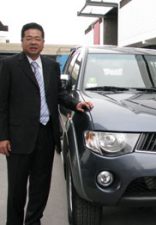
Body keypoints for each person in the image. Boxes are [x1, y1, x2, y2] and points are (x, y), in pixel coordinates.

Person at [0, 22, 93, 225]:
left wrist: (77, 103)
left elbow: (59, 94)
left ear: (43, 42)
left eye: (37, 38)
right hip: (18, 138)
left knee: (40, 187)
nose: (33, 42)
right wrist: (3, 136)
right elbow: (2, 103)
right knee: (16, 188)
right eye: (29, 38)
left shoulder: (52, 66)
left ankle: (33, 221)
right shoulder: (9, 65)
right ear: (22, 41)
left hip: (46, 135)